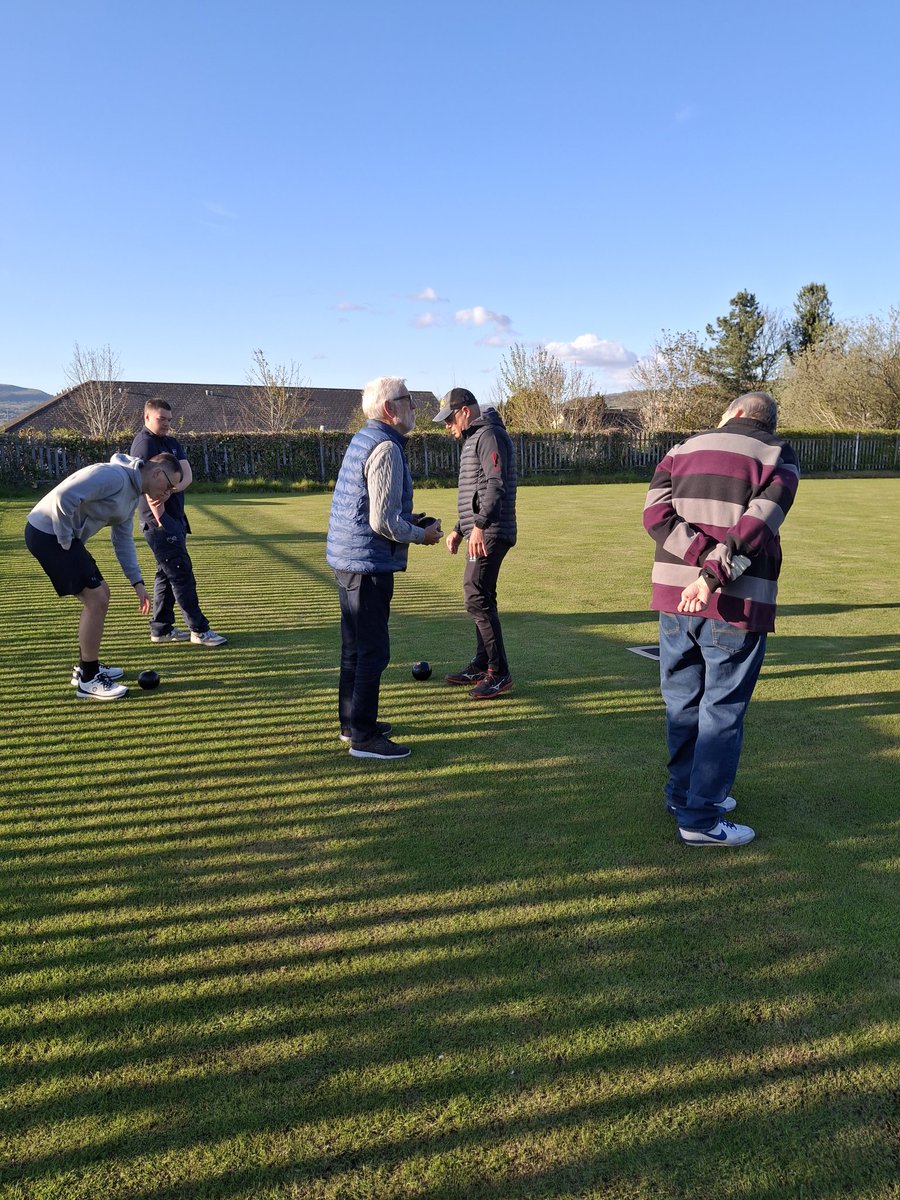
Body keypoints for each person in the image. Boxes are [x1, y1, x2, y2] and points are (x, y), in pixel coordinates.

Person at [642, 391, 799, 846]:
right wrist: (712, 573)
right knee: (721, 710)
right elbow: (760, 522)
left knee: (683, 700)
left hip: (675, 598)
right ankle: (701, 816)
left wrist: (700, 565)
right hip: (733, 601)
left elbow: (655, 514)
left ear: (731, 413)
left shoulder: (680, 448)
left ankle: (685, 794)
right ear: (768, 422)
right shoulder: (777, 454)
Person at [326, 376, 443, 759]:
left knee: (354, 647)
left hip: (349, 558)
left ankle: (352, 723)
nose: (415, 407)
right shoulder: (386, 448)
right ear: (390, 409)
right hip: (367, 562)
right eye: (409, 400)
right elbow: (384, 522)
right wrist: (420, 535)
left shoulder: (365, 437)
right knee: (372, 651)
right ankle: (363, 738)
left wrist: (413, 520)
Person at [25, 452, 183, 700]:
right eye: (169, 485)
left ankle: (86, 668)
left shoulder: (132, 495)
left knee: (102, 595)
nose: (169, 493)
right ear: (156, 473)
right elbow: (63, 497)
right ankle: (89, 680)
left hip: (62, 538)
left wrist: (137, 582)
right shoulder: (113, 476)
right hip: (48, 533)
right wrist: (66, 539)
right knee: (96, 599)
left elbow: (122, 540)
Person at [434, 387, 517, 699]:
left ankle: (499, 673)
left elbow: (496, 484)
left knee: (475, 595)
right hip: (481, 529)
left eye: (449, 418)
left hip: (492, 531)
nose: (446, 426)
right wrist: (460, 528)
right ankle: (483, 664)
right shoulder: (475, 437)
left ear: (465, 411)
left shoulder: (489, 436)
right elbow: (478, 491)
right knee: (482, 595)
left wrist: (480, 526)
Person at [130, 397, 226, 647]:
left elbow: (187, 474)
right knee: (181, 574)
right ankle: (199, 630)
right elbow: (147, 486)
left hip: (175, 517)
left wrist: (172, 489)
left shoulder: (171, 442)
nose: (166, 424)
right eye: (161, 419)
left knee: (166, 573)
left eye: (169, 420)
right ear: (147, 417)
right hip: (159, 521)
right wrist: (162, 520)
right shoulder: (144, 444)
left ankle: (160, 629)